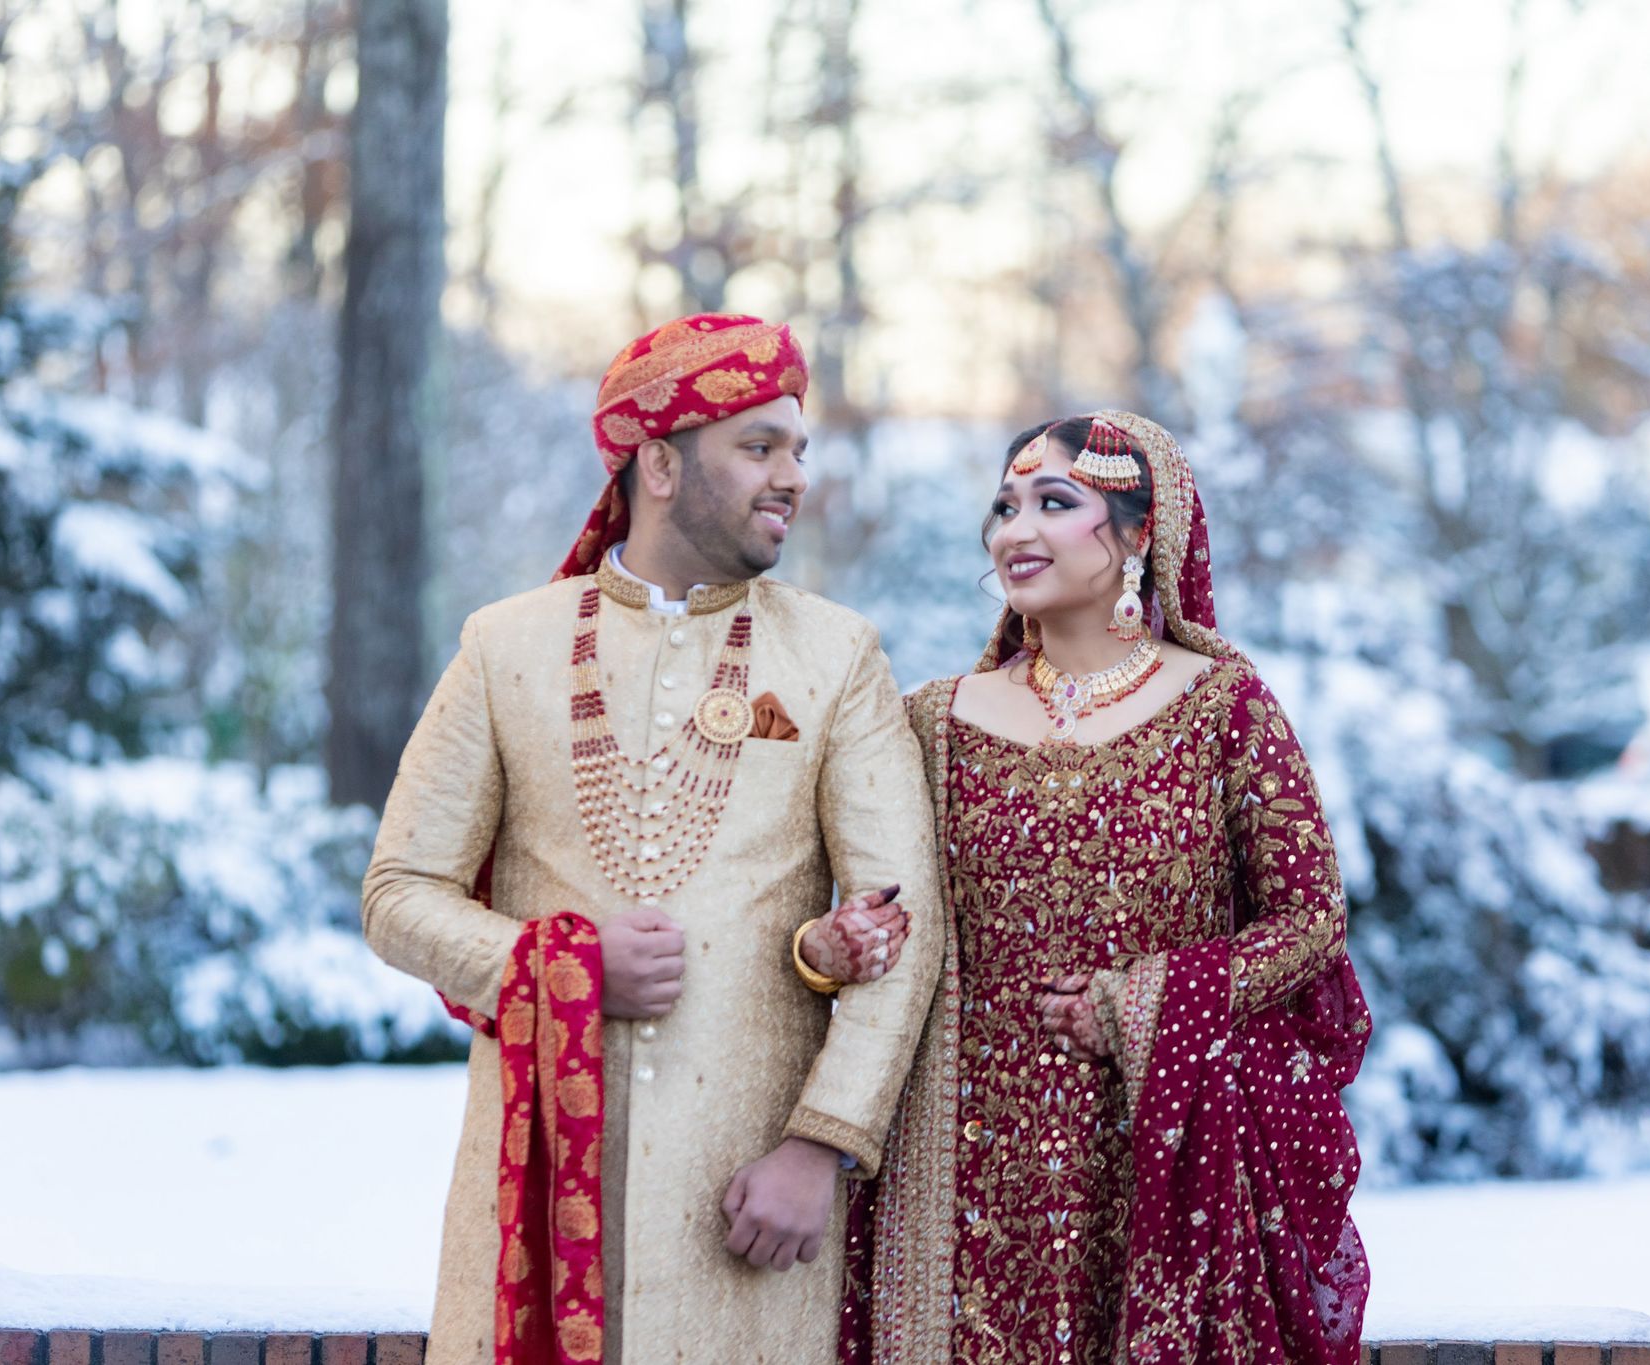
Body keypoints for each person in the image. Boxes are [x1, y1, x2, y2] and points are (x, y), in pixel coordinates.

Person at [361, 313, 941, 1365]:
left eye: (798, 450)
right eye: (758, 447)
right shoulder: (507, 646)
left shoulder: (835, 655)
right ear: (661, 464)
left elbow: (904, 923)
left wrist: (820, 1147)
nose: (791, 477)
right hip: (531, 1188)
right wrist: (560, 963)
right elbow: (398, 893)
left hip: (745, 1209)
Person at [809, 411, 1371, 1364]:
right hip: (962, 1177)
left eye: (1053, 503)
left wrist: (1143, 1002)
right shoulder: (930, 721)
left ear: (1143, 533)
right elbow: (866, 903)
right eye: (1003, 507)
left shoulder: (1222, 706)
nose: (1013, 530)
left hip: (1162, 1155)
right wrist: (828, 948)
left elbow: (1312, 920)